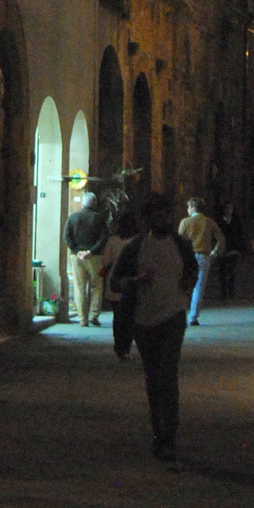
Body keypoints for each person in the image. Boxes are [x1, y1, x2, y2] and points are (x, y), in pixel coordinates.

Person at [110, 192, 198, 465]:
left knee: (167, 377)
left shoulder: (181, 245)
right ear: (150, 218)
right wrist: (134, 281)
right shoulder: (136, 248)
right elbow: (115, 282)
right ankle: (159, 434)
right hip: (144, 322)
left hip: (173, 318)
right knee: (153, 380)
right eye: (160, 215)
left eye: (168, 214)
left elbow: (192, 270)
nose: (165, 219)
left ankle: (168, 438)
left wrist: (187, 285)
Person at [62, 190, 108, 326]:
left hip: (76, 257)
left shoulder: (72, 218)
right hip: (95, 257)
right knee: (97, 286)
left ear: (82, 203)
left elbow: (67, 237)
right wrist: (91, 251)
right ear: (94, 203)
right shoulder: (99, 218)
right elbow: (104, 237)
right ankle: (93, 315)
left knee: (79, 287)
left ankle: (82, 319)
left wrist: (77, 251)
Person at [177, 197, 225, 325]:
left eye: (188, 207)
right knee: (199, 287)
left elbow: (179, 241)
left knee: (183, 285)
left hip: (188, 257)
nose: (187, 210)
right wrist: (214, 253)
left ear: (193, 208)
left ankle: (179, 313)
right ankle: (193, 316)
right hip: (204, 256)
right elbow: (221, 239)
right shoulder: (209, 222)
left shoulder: (185, 222)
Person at [101, 210, 139, 314]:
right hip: (134, 280)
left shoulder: (113, 241)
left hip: (116, 278)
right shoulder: (138, 242)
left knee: (117, 315)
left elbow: (106, 260)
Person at [216, 202, 246, 300]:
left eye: (231, 208)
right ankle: (224, 292)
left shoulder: (236, 220)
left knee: (231, 270)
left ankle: (231, 291)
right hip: (222, 248)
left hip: (233, 248)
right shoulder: (219, 221)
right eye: (227, 207)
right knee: (222, 271)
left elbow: (240, 234)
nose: (229, 210)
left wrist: (240, 247)